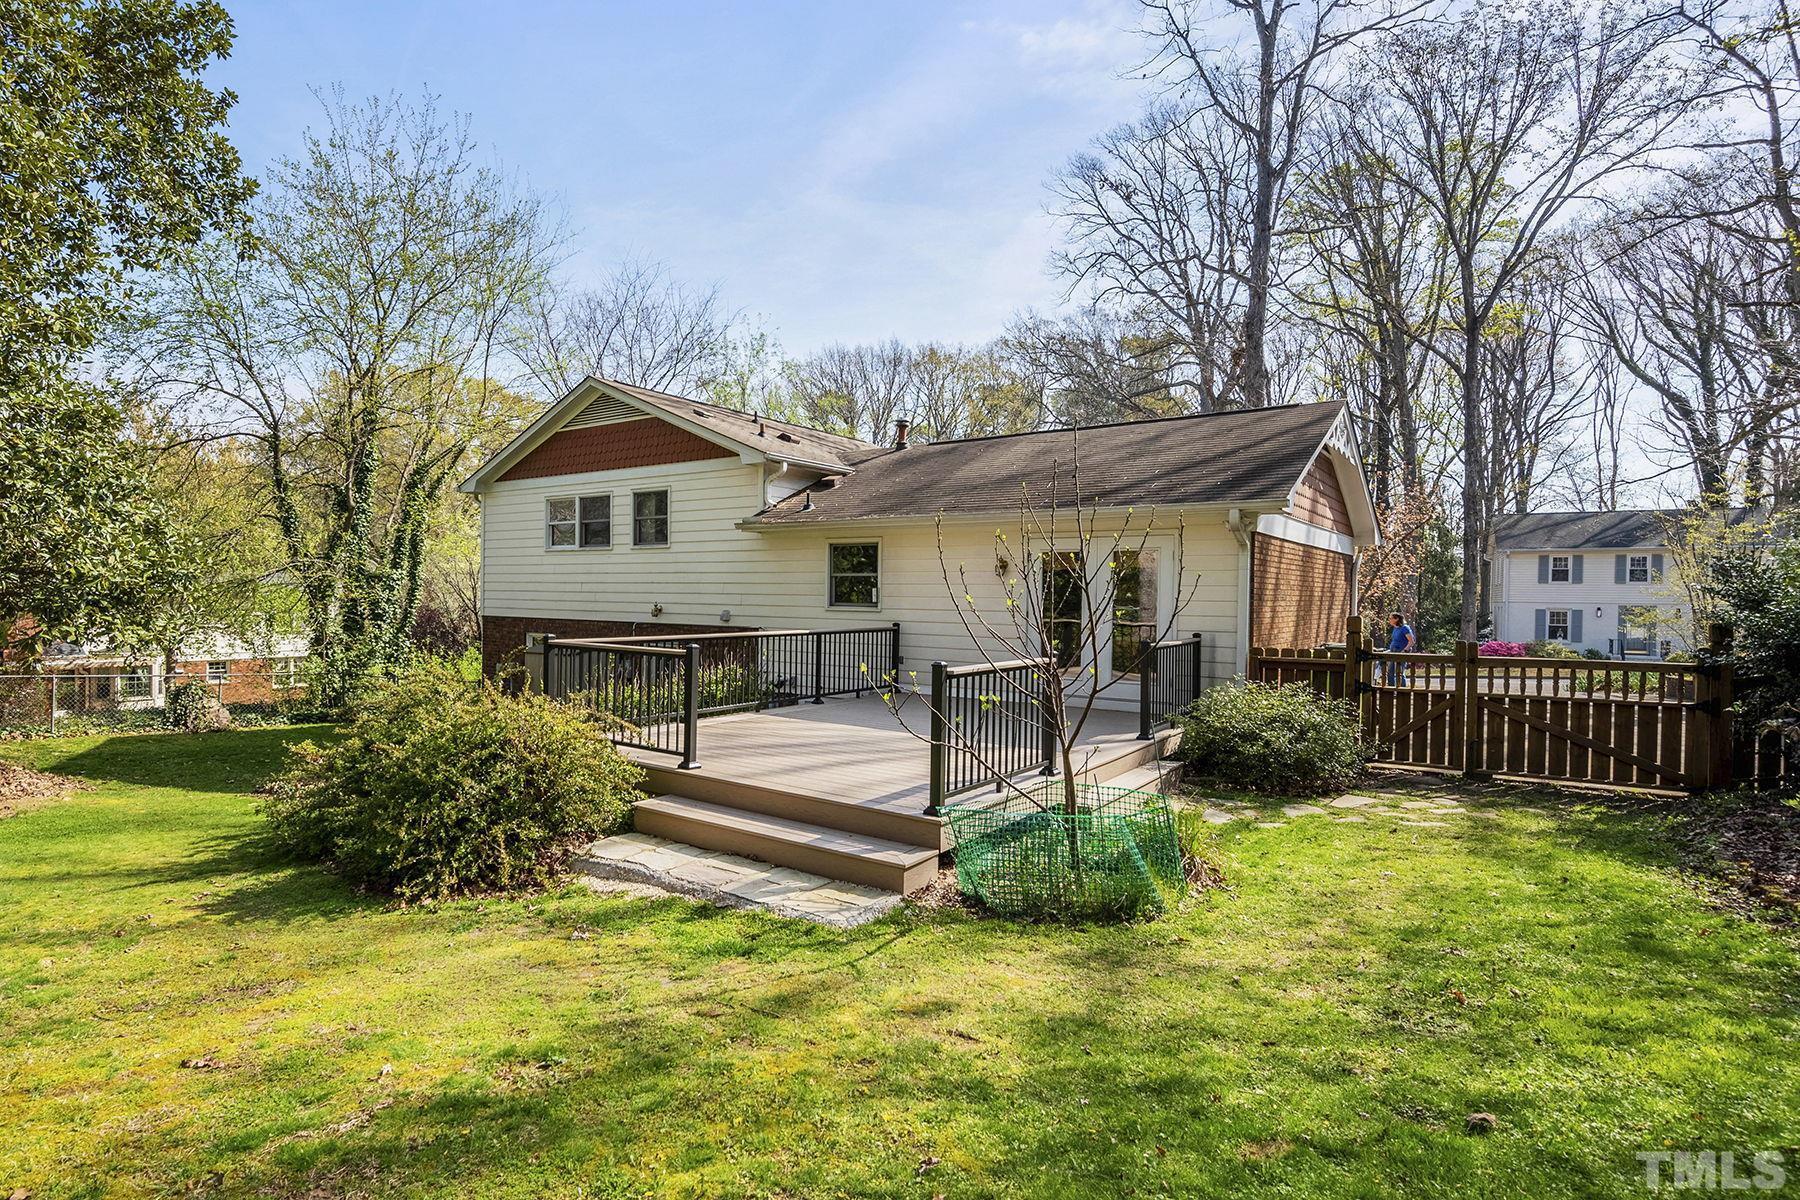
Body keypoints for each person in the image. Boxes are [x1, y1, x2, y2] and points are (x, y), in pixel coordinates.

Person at [1385, 611, 1417, 686]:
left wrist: (1404, 650)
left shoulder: (1405, 628)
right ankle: (1391, 689)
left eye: (1390, 618)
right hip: (1393, 652)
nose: (1389, 620)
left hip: (1401, 652)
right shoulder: (1395, 628)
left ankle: (1403, 691)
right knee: (1390, 671)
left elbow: (1411, 641)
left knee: (1399, 672)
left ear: (1396, 619)